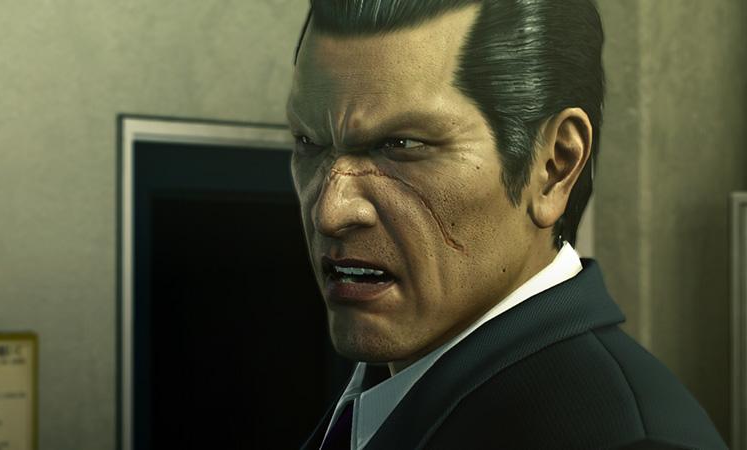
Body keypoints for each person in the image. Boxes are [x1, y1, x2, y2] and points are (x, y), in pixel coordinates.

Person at [285, 1, 727, 449]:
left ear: (554, 166)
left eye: (402, 145)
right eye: (308, 142)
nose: (330, 212)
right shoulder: (382, 392)